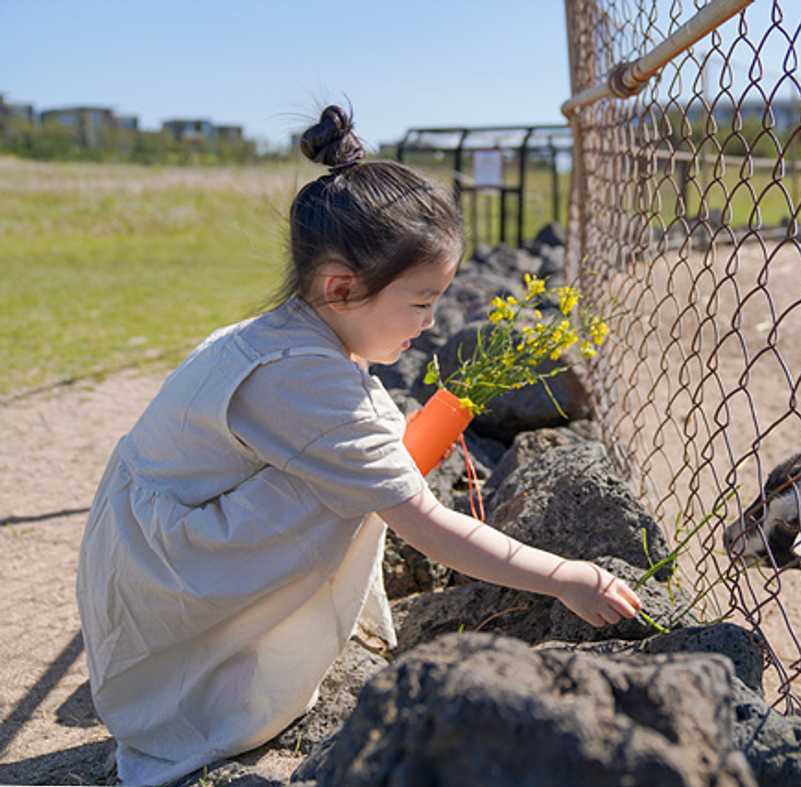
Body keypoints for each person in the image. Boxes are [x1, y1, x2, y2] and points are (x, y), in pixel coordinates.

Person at [75, 105, 643, 786]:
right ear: (341, 287)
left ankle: (227, 676)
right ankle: (213, 698)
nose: (431, 325)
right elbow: (427, 524)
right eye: (421, 302)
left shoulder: (294, 336)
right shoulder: (303, 379)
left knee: (361, 470)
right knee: (354, 486)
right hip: (163, 578)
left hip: (153, 555)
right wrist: (566, 576)